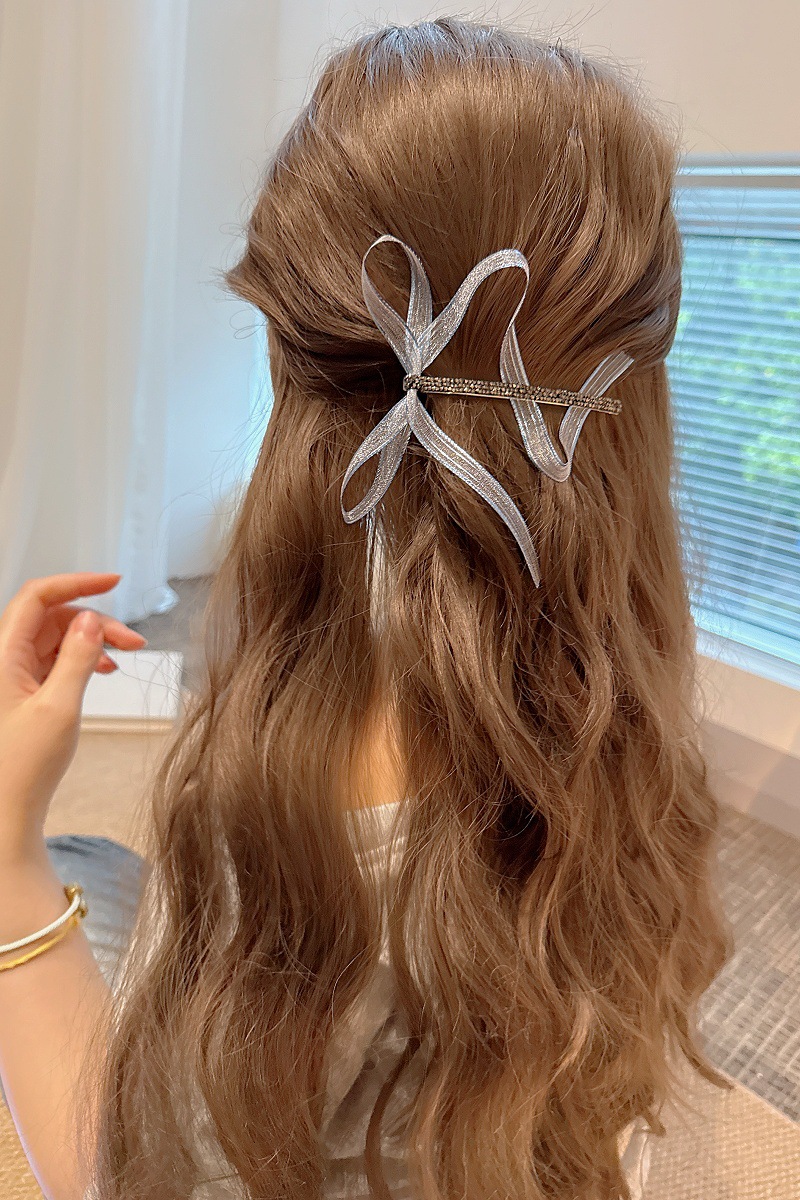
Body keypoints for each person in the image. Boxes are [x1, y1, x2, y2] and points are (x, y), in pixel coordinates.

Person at [0, 17, 735, 1200]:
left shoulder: (302, 803)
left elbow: (121, 1173)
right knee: (116, 875)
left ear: (303, 369)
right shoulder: (613, 706)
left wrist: (8, 854)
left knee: (78, 872)